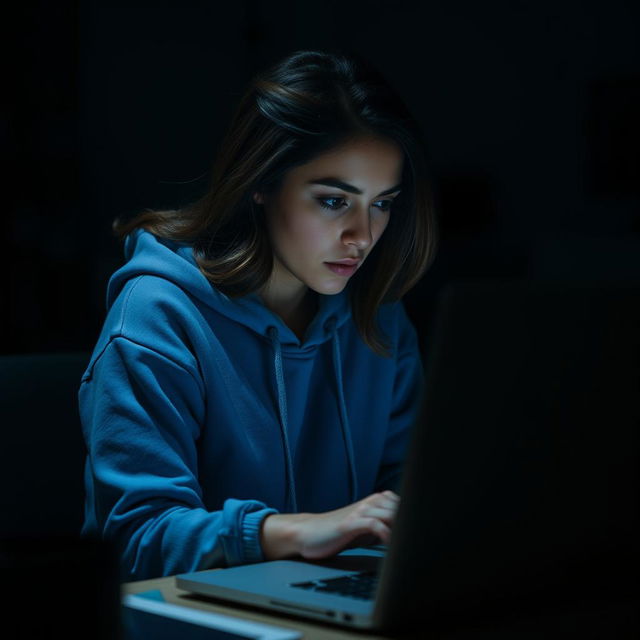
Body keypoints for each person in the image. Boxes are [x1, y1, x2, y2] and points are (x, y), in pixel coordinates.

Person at [79, 48, 438, 582]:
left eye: (382, 203)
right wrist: (295, 532)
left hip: (330, 603)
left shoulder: (378, 314)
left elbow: (415, 497)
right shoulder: (157, 316)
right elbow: (135, 538)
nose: (363, 236)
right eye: (334, 201)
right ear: (262, 182)